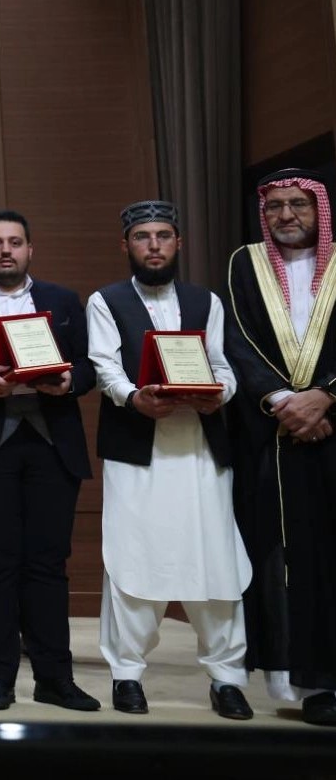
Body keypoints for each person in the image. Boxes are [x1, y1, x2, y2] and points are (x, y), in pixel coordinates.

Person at [85, 200, 252, 719]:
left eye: (162, 236)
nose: (153, 245)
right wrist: (136, 397)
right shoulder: (105, 300)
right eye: (142, 237)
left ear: (178, 243)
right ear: (126, 246)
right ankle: (127, 673)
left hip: (200, 452)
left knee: (214, 560)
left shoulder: (207, 302)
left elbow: (225, 368)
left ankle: (226, 677)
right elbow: (104, 366)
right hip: (138, 454)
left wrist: (217, 396)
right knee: (134, 560)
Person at [0, 210, 98, 712]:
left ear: (30, 249)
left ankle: (55, 678)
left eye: (14, 242)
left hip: (51, 445)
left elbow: (90, 365)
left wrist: (72, 381)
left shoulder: (61, 300)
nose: (5, 251)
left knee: (48, 565)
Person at [224, 168, 336, 726]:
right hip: (273, 435)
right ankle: (309, 682)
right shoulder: (245, 264)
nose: (286, 216)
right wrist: (280, 401)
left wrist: (325, 397)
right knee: (288, 557)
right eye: (275, 208)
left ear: (320, 208)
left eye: (298, 205)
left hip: (333, 425)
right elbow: (236, 341)